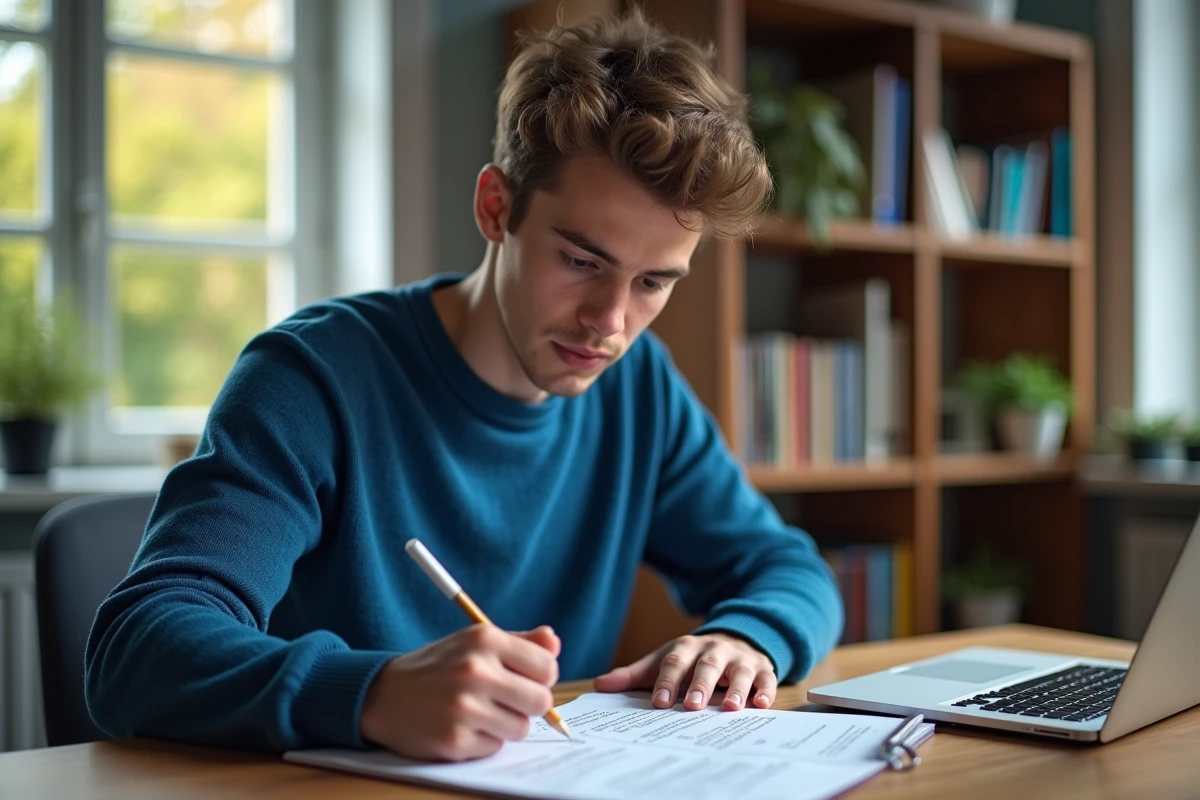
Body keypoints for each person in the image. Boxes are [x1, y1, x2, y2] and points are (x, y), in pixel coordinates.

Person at [85, 9, 843, 762]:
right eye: (582, 261)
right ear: (496, 207)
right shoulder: (312, 378)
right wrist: (371, 692)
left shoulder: (639, 388)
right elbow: (137, 648)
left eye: (652, 282)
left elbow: (789, 568)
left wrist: (748, 637)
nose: (608, 322)